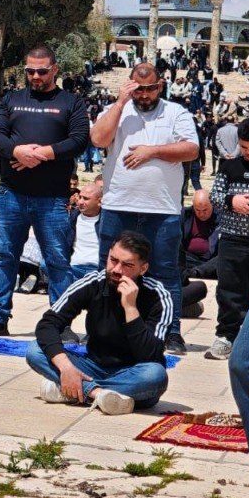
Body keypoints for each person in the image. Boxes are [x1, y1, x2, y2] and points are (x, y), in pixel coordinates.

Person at [0, 45, 89, 337]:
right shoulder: (12, 99)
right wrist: (17, 150)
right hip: (12, 193)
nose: (35, 76)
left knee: (56, 260)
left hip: (52, 198)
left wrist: (41, 154)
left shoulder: (71, 102)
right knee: (5, 257)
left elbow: (79, 141)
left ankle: (60, 323)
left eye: (41, 71)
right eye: (30, 71)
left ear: (55, 70)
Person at [88, 62, 197, 356]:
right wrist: (121, 102)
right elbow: (98, 139)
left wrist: (153, 151)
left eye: (150, 89)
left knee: (165, 272)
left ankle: (171, 332)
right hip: (118, 206)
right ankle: (105, 328)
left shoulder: (176, 113)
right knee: (109, 272)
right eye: (139, 89)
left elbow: (192, 149)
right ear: (130, 84)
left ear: (160, 86)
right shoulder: (117, 110)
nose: (145, 95)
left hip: (162, 209)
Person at [27, 230, 169, 415]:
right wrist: (66, 367)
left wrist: (131, 309)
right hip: (92, 366)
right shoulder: (93, 282)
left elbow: (152, 354)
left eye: (127, 265)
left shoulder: (158, 295)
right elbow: (48, 324)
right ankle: (98, 394)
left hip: (134, 372)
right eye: (113, 260)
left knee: (155, 376)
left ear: (142, 269)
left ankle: (72, 391)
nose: (117, 270)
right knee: (34, 350)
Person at [206, 118, 249, 361]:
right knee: (229, 290)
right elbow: (214, 196)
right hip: (232, 239)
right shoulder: (230, 167)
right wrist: (232, 201)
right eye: (244, 147)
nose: (248, 153)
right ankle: (226, 336)